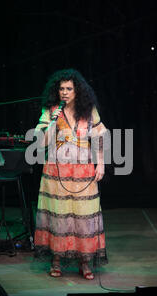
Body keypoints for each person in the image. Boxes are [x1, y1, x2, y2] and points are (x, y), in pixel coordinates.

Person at [33, 69, 108, 280]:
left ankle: (85, 262)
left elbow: (100, 137)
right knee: (59, 215)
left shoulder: (88, 109)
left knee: (83, 217)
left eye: (69, 89)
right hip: (57, 170)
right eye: (61, 89)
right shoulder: (50, 110)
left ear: (77, 90)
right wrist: (53, 122)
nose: (64, 92)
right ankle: (56, 260)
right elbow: (42, 142)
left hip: (83, 170)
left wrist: (100, 164)